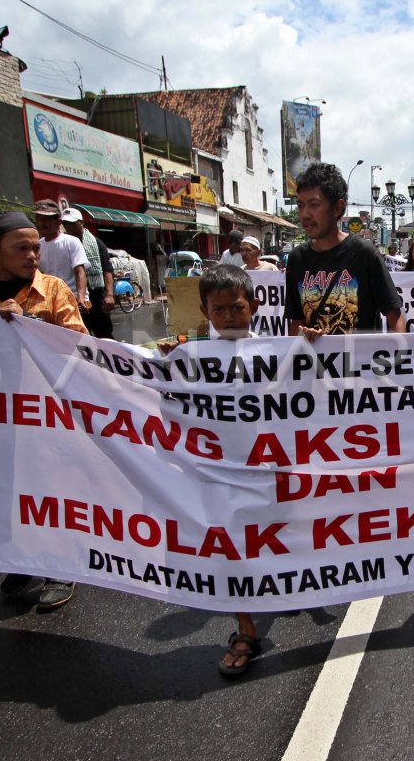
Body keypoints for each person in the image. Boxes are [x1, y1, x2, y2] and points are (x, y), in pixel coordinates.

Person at [0, 210, 87, 610]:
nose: (33, 255)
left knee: (50, 490)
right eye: (22, 248)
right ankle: (22, 560)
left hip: (45, 410)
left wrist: (26, 322)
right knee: (8, 488)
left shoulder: (53, 291)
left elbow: (79, 345)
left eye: (36, 247)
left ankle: (60, 567)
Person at [156, 264, 265, 675]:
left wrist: (312, 347)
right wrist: (166, 364)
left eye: (237, 307)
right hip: (219, 471)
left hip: (268, 467)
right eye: (219, 310)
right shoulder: (190, 355)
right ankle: (245, 629)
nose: (229, 317)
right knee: (230, 546)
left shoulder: (279, 351)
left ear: (253, 306)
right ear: (205, 312)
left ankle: (288, 590)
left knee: (279, 537)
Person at [284, 163, 406, 337]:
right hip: (315, 364)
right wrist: (301, 341)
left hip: (361, 363)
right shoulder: (297, 259)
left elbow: (394, 317)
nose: (305, 214)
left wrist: (396, 358)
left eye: (314, 204)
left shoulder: (365, 254)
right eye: (301, 205)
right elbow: (296, 322)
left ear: (338, 207)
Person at [61, 208, 115, 339]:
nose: (69, 227)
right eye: (66, 224)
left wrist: (109, 295)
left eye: (72, 223)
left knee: (104, 335)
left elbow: (107, 270)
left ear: (81, 223)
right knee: (80, 336)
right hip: (73, 297)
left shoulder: (96, 243)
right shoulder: (62, 244)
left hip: (95, 295)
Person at [33, 199, 89, 310]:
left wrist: (81, 298)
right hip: (49, 300)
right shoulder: (37, 246)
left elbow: (80, 271)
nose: (41, 223)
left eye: (45, 220)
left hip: (71, 299)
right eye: (38, 219)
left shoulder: (71, 242)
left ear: (58, 222)